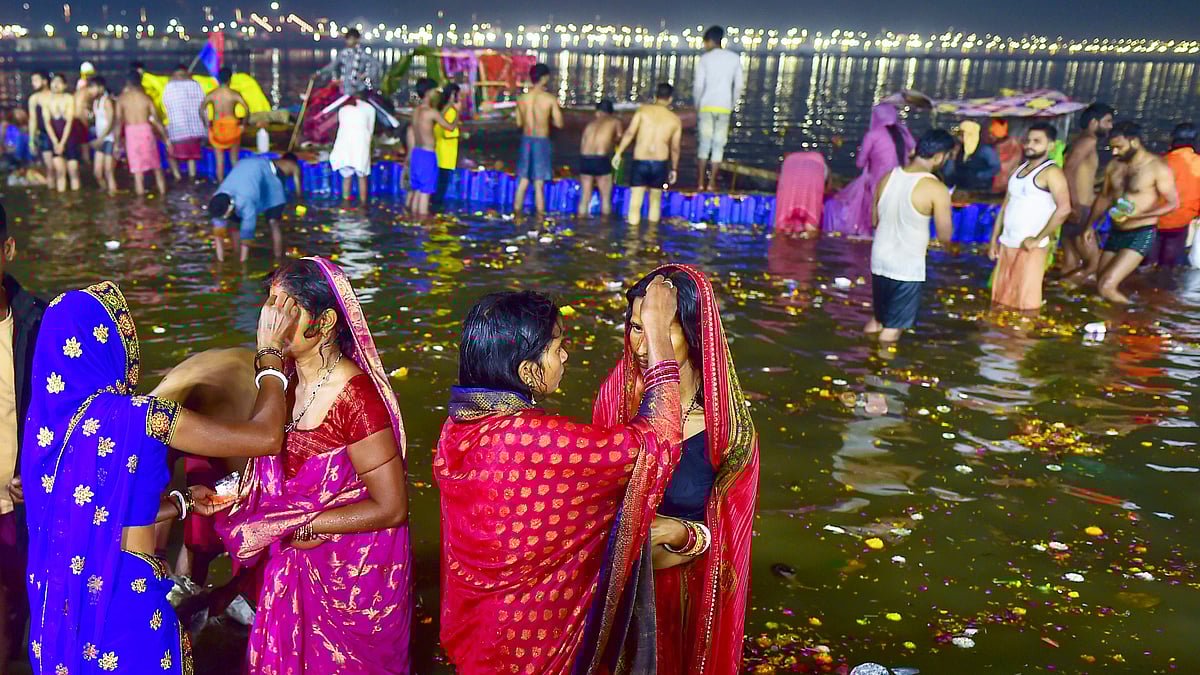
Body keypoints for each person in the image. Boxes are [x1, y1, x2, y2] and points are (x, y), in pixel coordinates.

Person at [22, 280, 298, 675]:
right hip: (127, 612)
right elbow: (267, 437)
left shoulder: (44, 434)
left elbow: (96, 516)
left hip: (62, 615)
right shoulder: (139, 416)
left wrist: (182, 503)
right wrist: (270, 357)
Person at [436, 280, 682, 674]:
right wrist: (656, 329)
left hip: (476, 635)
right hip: (529, 646)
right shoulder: (534, 440)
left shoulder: (459, 425)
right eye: (555, 348)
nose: (565, 356)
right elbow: (657, 442)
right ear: (528, 371)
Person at [216, 257, 411, 674]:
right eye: (268, 305)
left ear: (322, 323)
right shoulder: (280, 382)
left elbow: (392, 506)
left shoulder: (356, 400)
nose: (268, 322)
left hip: (347, 578)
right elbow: (267, 468)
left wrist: (308, 526)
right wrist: (229, 491)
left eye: (284, 309)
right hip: (292, 563)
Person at [594, 265, 759, 675]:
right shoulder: (616, 406)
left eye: (658, 327)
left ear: (695, 335)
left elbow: (730, 547)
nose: (644, 344)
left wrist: (680, 533)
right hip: (619, 599)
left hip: (686, 605)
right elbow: (592, 512)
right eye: (636, 327)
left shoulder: (730, 434)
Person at [148, 349, 256, 589]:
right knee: (195, 533)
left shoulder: (225, 425)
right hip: (198, 401)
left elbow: (253, 500)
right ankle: (187, 585)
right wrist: (158, 555)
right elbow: (152, 496)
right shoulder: (146, 426)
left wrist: (227, 593)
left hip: (241, 407)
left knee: (240, 525)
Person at [0, 203, 46, 674]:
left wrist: (36, 468)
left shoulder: (41, 323)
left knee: (38, 615)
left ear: (7, 250)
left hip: (24, 506)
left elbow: (70, 412)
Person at [864, 129, 955, 343]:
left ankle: (861, 359)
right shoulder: (936, 188)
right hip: (905, 267)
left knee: (878, 319)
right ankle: (877, 373)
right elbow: (945, 235)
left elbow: (874, 221)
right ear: (939, 157)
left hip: (879, 260)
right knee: (893, 329)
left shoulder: (888, 177)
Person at [1085, 121, 1179, 304]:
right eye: (1111, 148)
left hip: (1141, 232)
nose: (1114, 152)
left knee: (1106, 286)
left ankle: (1132, 316)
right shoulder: (1114, 166)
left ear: (1134, 142)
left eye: (1119, 147)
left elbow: (1173, 204)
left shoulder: (1157, 167)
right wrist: (1090, 225)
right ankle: (1107, 322)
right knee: (1099, 282)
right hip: (1116, 231)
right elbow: (1104, 197)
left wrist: (1139, 216)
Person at [988, 123, 1072, 311]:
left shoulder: (1052, 173)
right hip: (1008, 243)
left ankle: (1022, 339)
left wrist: (1038, 238)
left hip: (1030, 246)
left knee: (1026, 302)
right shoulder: (1018, 170)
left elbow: (1064, 208)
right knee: (1001, 298)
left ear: (1050, 145)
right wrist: (994, 240)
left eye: (1037, 141)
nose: (1029, 145)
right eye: (1028, 141)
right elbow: (1005, 207)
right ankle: (999, 338)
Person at [822, 103, 914, 238]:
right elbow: (914, 151)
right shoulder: (903, 132)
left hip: (877, 183)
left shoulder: (873, 135)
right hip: (902, 182)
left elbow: (860, 162)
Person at [207, 153, 301, 262]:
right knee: (234, 223)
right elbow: (218, 235)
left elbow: (247, 234)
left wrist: (243, 266)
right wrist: (220, 261)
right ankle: (236, 253)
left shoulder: (246, 199)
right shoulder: (217, 202)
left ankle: (278, 258)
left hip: (268, 178)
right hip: (245, 171)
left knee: (272, 221)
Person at [613, 83, 682, 226]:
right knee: (655, 203)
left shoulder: (643, 111)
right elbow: (675, 148)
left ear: (655, 96)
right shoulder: (675, 120)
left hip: (640, 160)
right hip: (659, 163)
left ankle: (632, 243)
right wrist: (674, 169)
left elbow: (630, 133)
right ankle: (652, 240)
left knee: (635, 203)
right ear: (670, 99)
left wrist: (618, 153)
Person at [1061, 103, 1115, 280]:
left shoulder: (1078, 140)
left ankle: (1060, 299)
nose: (1110, 126)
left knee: (1070, 263)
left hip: (1073, 207)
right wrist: (1075, 203)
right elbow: (1068, 169)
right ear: (1094, 122)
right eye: (1107, 121)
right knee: (1093, 265)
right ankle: (1062, 287)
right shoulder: (1088, 141)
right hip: (1080, 208)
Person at [694, 26, 744, 191]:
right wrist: (732, 103)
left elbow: (699, 86)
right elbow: (738, 86)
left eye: (705, 43)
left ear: (709, 41)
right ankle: (712, 183)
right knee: (718, 146)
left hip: (707, 106)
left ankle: (700, 182)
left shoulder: (705, 59)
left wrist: (697, 105)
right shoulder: (734, 58)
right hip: (724, 107)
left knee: (704, 145)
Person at [513, 63, 563, 217]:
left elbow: (519, 123)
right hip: (542, 141)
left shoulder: (522, 99)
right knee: (539, 184)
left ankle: (516, 216)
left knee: (522, 182)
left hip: (526, 140)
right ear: (544, 78)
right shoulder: (549, 99)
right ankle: (539, 220)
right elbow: (559, 123)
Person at [114, 73, 170, 196]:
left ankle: (140, 204)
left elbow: (118, 122)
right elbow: (156, 120)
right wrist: (166, 139)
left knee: (137, 172)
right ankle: (163, 195)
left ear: (127, 83)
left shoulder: (122, 99)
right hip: (146, 131)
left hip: (131, 133)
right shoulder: (146, 98)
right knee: (156, 168)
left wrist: (116, 143)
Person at [409, 78, 459, 216]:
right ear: (429, 92)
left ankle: (413, 224)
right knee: (425, 193)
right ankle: (423, 228)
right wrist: (458, 114)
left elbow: (435, 122)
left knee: (417, 191)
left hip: (416, 154)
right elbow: (450, 126)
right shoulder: (431, 112)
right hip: (427, 155)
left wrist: (448, 106)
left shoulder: (416, 112)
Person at [1154, 123, 1200, 268]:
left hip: (1155, 220)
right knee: (1170, 264)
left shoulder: (1161, 161)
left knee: (1148, 262)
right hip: (1182, 222)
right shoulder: (1198, 162)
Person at [202, 67, 249, 183]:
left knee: (219, 161)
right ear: (230, 79)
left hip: (218, 127)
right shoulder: (234, 94)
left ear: (218, 79)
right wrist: (243, 124)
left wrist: (207, 125)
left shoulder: (212, 94)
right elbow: (247, 109)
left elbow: (201, 109)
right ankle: (236, 183)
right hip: (232, 127)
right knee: (234, 159)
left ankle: (220, 185)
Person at [577, 100, 623, 217]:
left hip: (585, 159)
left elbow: (582, 143)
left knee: (585, 197)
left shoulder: (590, 125)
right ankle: (604, 228)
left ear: (598, 112)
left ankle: (580, 224)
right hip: (600, 159)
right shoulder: (615, 121)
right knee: (605, 198)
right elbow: (620, 138)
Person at [40, 74, 85, 192]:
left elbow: (69, 122)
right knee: (60, 172)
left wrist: (62, 143)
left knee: (73, 171)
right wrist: (56, 142)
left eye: (59, 82)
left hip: (69, 138)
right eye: (54, 82)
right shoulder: (47, 101)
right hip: (55, 138)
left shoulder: (69, 98)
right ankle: (61, 201)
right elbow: (47, 123)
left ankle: (76, 199)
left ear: (65, 85)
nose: (55, 85)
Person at [162, 64, 207, 182]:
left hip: (178, 131)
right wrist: (206, 128)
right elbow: (203, 107)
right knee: (191, 157)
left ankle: (177, 177)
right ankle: (192, 177)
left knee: (171, 155)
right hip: (197, 130)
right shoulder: (196, 85)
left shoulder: (169, 87)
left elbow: (167, 107)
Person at [329, 97, 377, 203]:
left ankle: (345, 205)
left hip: (343, 147)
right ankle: (363, 207)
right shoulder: (370, 108)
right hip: (360, 146)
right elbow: (370, 131)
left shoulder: (343, 109)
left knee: (346, 177)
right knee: (362, 177)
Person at [315, 28, 382, 97]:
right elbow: (332, 66)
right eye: (347, 39)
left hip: (358, 89)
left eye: (351, 39)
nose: (348, 41)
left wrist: (366, 74)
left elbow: (375, 65)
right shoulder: (343, 54)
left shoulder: (362, 54)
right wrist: (319, 73)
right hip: (344, 88)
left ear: (357, 40)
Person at [434, 83, 470, 207]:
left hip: (441, 150)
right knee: (441, 184)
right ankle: (436, 210)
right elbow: (450, 130)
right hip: (445, 151)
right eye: (458, 94)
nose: (461, 97)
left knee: (439, 182)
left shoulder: (442, 108)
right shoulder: (451, 111)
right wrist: (458, 114)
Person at [944, 120, 1002, 193]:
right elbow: (948, 173)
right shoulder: (958, 148)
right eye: (958, 135)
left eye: (961, 135)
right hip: (961, 189)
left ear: (970, 135)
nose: (958, 137)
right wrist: (953, 157)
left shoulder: (985, 150)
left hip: (980, 190)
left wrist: (980, 176)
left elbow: (996, 167)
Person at [86, 76, 117, 195]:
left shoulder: (107, 101)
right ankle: (106, 192)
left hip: (109, 139)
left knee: (109, 172)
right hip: (101, 140)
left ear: (101, 88)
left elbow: (111, 122)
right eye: (89, 88)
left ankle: (113, 196)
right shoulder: (95, 102)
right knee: (97, 173)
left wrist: (100, 138)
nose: (90, 91)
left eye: (92, 87)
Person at [26, 72, 55, 189]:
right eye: (32, 81)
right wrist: (31, 140)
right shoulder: (34, 99)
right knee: (50, 167)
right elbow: (32, 120)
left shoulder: (55, 95)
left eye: (36, 80)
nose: (33, 83)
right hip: (44, 135)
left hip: (58, 133)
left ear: (45, 81)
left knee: (61, 167)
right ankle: (52, 192)